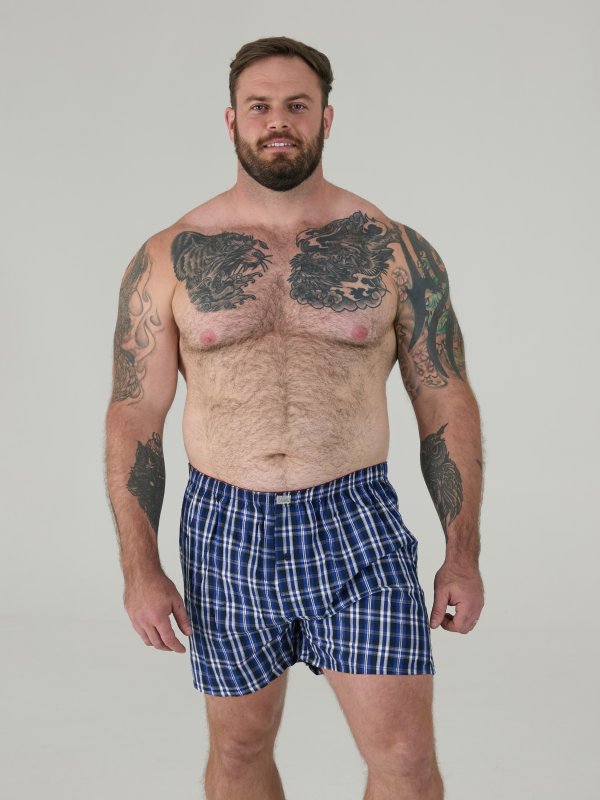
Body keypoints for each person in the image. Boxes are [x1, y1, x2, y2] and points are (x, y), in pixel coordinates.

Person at [105, 35, 484, 800]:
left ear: (326, 118)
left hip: (357, 521)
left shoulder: (395, 251)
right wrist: (139, 569)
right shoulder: (170, 256)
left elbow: (444, 398)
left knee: (405, 759)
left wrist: (462, 551)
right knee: (240, 746)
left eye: (297, 105)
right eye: (260, 106)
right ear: (232, 120)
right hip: (224, 527)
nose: (278, 120)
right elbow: (134, 417)